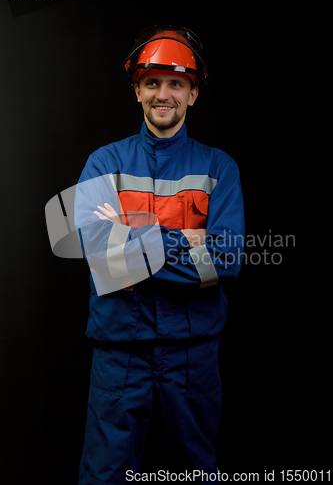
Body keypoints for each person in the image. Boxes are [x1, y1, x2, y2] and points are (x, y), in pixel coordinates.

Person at [75, 25, 245, 484]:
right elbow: (99, 257)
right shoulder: (103, 163)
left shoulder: (218, 168)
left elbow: (225, 262)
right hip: (119, 353)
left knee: (196, 473)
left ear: (193, 94)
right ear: (137, 91)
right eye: (152, 83)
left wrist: (130, 239)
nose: (162, 94)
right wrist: (186, 241)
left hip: (192, 355)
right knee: (104, 474)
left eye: (175, 83)